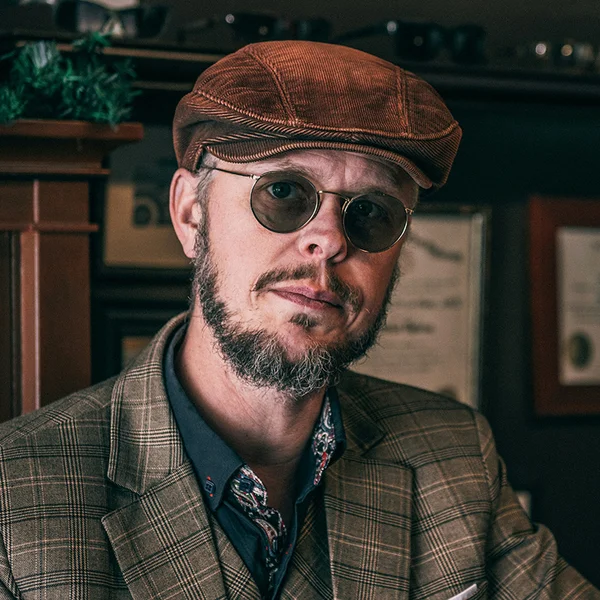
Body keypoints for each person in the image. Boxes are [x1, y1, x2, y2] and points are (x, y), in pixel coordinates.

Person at [0, 41, 596, 600]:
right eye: (284, 193)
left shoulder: (453, 454)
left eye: (371, 212)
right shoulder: (14, 501)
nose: (330, 241)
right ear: (189, 214)